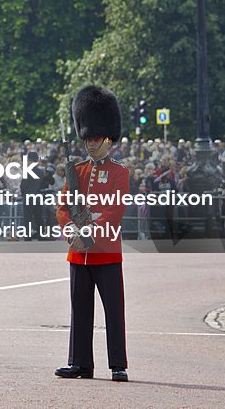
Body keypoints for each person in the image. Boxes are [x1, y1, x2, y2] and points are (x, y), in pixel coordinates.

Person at [55, 85, 129, 383]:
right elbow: (63, 208)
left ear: (108, 138)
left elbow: (114, 211)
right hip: (78, 254)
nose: (90, 143)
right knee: (80, 310)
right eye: (86, 137)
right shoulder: (77, 171)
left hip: (106, 251)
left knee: (114, 310)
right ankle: (80, 363)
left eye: (95, 138)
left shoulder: (119, 173)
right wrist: (70, 229)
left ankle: (118, 364)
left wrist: (89, 232)